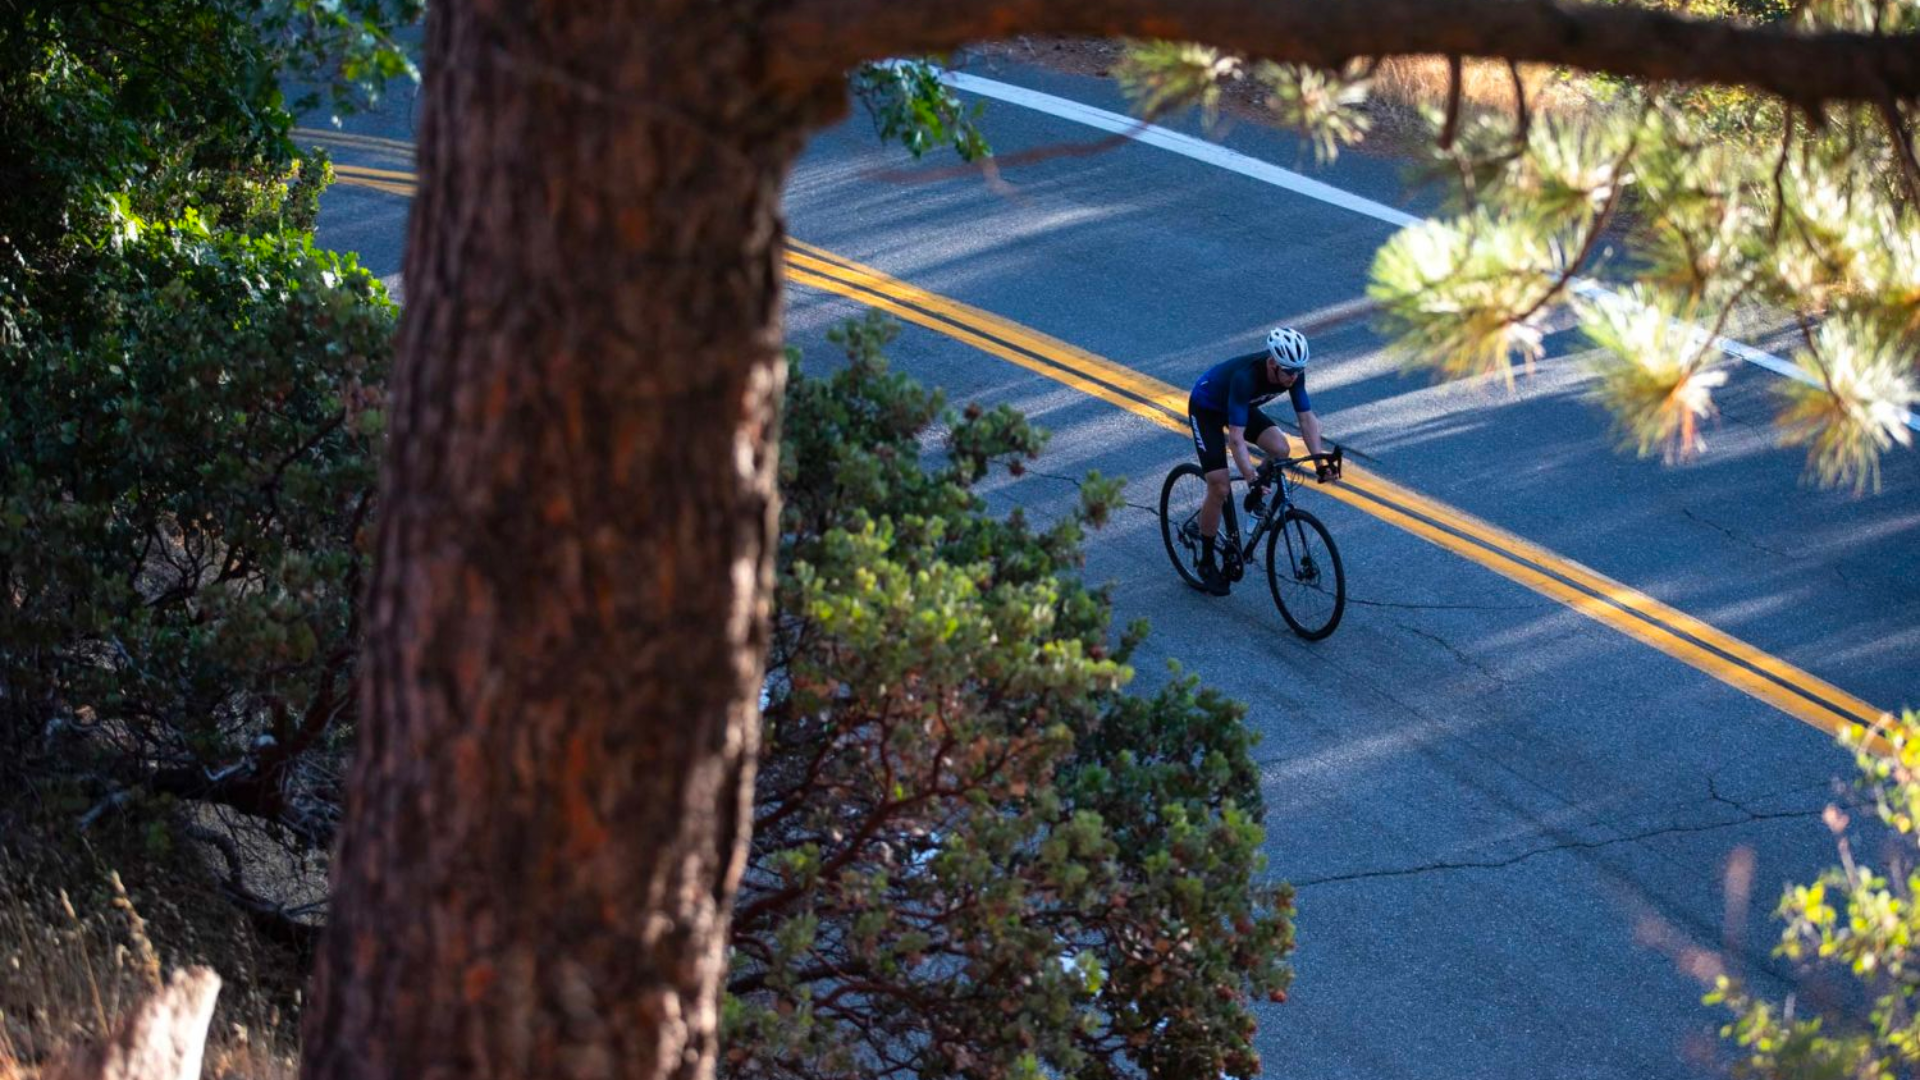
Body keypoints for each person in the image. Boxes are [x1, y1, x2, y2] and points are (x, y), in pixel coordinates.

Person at [1185, 326, 1332, 596]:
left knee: (1280, 449)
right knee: (1219, 487)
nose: (1294, 376)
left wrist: (1321, 461)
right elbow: (1236, 440)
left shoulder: (1293, 371)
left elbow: (1306, 419)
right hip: (1207, 409)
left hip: (1238, 407)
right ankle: (1206, 562)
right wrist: (1250, 476)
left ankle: (1255, 498)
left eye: (1299, 370)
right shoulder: (1246, 378)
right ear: (1273, 363)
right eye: (1289, 371)